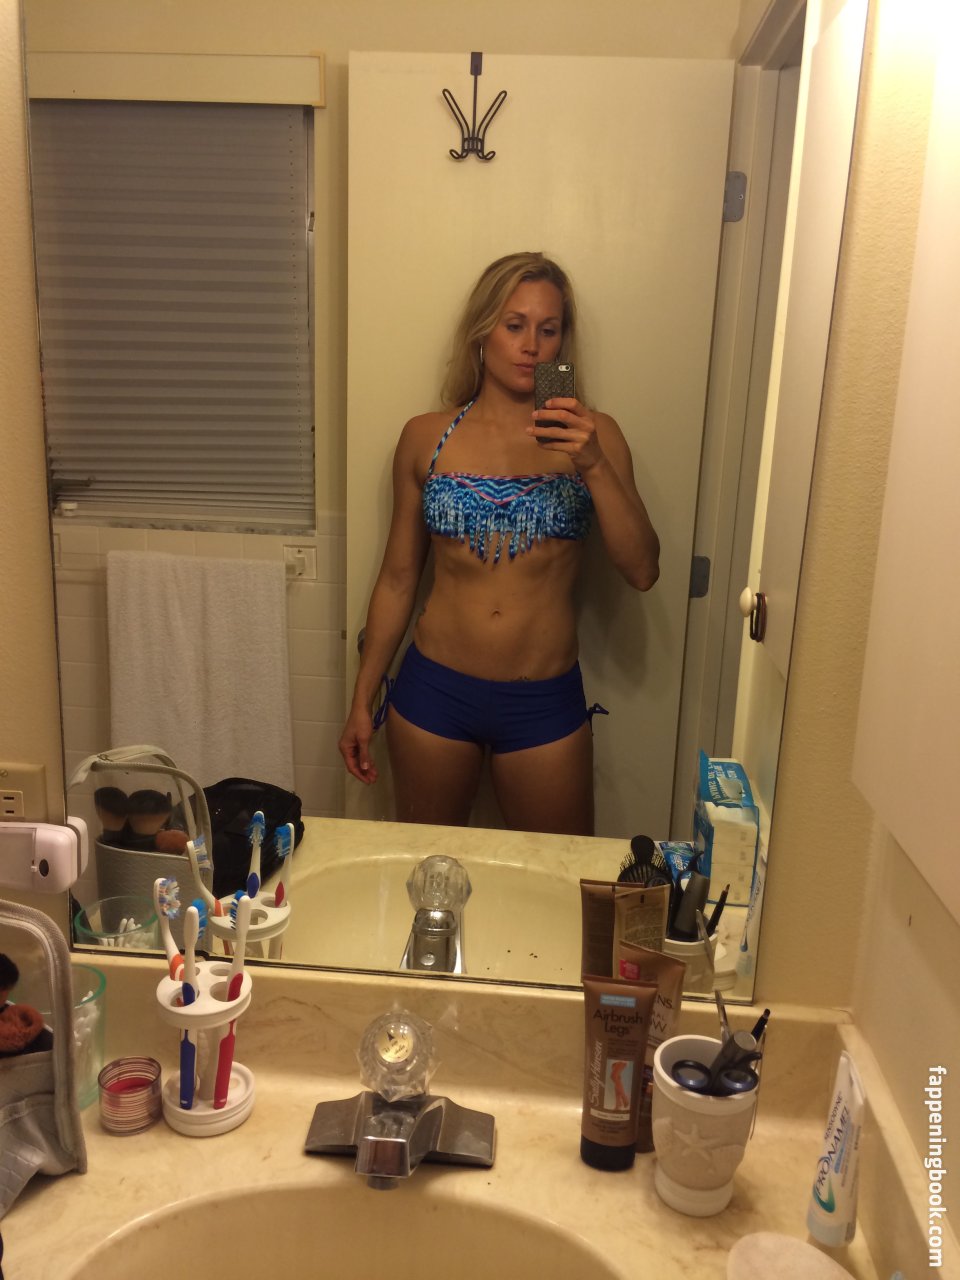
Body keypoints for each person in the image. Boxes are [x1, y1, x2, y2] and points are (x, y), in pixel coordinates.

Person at [338, 251, 659, 835]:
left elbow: (642, 570)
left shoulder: (597, 436)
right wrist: (362, 699)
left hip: (543, 702)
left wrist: (591, 462)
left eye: (548, 329)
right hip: (434, 691)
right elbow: (399, 579)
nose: (531, 345)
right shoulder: (425, 436)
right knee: (430, 873)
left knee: (555, 877)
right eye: (515, 326)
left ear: (563, 341)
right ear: (483, 332)